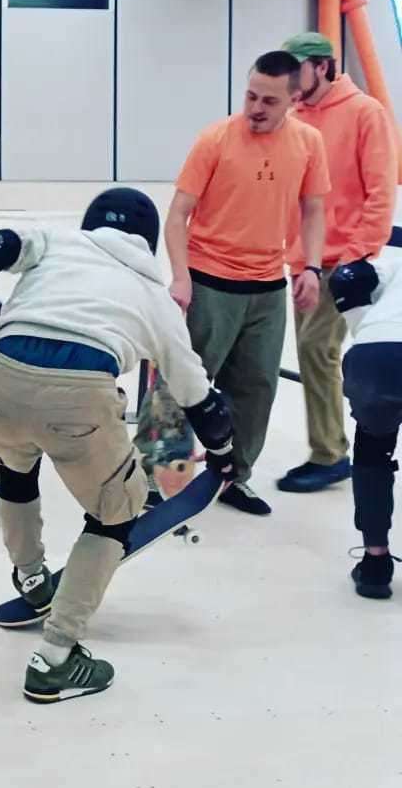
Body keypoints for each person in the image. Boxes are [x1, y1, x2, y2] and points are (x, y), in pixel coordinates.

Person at [0, 188, 234, 701]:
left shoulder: (56, 240)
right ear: (148, 243)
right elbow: (197, 397)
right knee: (115, 515)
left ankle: (32, 579)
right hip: (78, 397)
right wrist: (224, 453)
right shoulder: (155, 298)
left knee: (15, 471)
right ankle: (56, 656)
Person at [165, 51, 329, 517]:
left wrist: (310, 268)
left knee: (256, 389)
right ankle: (161, 479)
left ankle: (234, 477)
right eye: (251, 95)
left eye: (269, 100)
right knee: (183, 384)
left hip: (266, 287)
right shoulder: (215, 139)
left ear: (294, 99)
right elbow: (177, 215)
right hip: (208, 280)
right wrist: (181, 277)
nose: (255, 107)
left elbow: (313, 209)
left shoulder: (308, 143)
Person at [275, 32, 397, 494]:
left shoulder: (366, 112)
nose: (289, 82)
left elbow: (381, 192)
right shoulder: (296, 115)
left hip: (343, 261)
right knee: (316, 354)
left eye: (296, 71)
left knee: (318, 352)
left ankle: (330, 455)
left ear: (322, 66)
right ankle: (333, 448)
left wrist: (356, 259)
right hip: (303, 259)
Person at [328, 253, 402, 598]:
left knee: (373, 450)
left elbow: (347, 277)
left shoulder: (395, 258)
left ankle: (375, 563)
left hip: (375, 356)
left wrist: (365, 326)